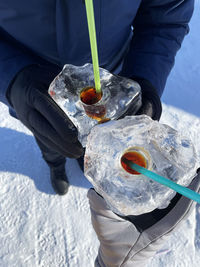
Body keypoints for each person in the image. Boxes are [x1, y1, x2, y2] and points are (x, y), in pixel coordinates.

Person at [0, 0, 199, 265]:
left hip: (110, 82)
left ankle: (85, 164)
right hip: (35, 89)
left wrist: (144, 77)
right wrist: (11, 77)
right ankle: (54, 162)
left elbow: (166, 17)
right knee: (49, 138)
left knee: (103, 159)